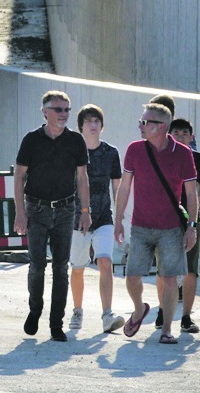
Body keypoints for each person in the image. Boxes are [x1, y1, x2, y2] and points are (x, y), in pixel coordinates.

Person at [113, 103, 200, 345]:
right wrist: (118, 220)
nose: (140, 126)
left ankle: (167, 329)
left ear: (161, 126)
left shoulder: (183, 153)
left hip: (171, 228)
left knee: (169, 277)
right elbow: (124, 187)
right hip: (140, 226)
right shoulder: (135, 149)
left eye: (145, 122)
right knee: (132, 276)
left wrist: (192, 227)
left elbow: (192, 194)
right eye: (140, 121)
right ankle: (139, 309)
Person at [14, 90, 90, 341]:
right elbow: (19, 176)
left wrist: (85, 211)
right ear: (45, 112)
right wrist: (20, 212)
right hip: (36, 209)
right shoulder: (31, 140)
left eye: (67, 109)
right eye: (58, 109)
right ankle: (35, 309)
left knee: (61, 267)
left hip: (66, 209)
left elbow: (82, 178)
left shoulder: (76, 140)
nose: (64, 114)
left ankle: (56, 323)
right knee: (37, 264)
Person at [68, 104, 124, 333]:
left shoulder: (111, 153)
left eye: (96, 121)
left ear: (102, 125)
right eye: (88, 121)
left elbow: (117, 188)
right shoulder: (72, 152)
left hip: (104, 217)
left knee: (105, 262)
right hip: (76, 219)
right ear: (80, 126)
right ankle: (77, 310)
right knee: (78, 267)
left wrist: (119, 219)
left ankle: (107, 314)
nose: (93, 125)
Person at [168, 118, 200, 334]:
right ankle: (163, 313)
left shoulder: (199, 160)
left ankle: (186, 317)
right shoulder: (162, 157)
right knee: (164, 270)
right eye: (176, 133)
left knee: (191, 270)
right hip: (166, 219)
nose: (180, 137)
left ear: (191, 137)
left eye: (184, 134)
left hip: (191, 221)